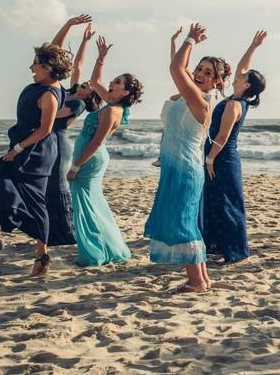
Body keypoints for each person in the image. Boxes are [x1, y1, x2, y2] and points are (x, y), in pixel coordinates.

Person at [0, 41, 74, 276]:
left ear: (48, 67)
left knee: (35, 201)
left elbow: (45, 130)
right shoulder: (39, 85)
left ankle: (42, 255)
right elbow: (56, 48)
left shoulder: (50, 94)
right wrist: (68, 24)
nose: (31, 67)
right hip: (21, 147)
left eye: (36, 64)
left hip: (34, 153)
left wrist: (17, 149)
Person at [144, 23, 230, 293]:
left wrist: (191, 40)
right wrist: (181, 45)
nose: (201, 74)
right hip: (179, 167)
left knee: (183, 224)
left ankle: (195, 282)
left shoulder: (201, 101)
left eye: (209, 72)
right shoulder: (187, 95)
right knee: (187, 222)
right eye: (200, 69)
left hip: (185, 170)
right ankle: (202, 279)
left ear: (217, 81)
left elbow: (175, 69)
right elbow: (179, 69)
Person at [67, 35, 143, 266]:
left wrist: (76, 166)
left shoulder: (112, 111)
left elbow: (97, 142)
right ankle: (106, 247)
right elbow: (94, 79)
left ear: (126, 92)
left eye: (118, 82)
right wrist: (100, 58)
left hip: (90, 159)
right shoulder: (111, 103)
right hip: (91, 157)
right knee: (92, 202)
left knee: (86, 204)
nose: (112, 82)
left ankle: (95, 251)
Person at [202, 30, 267, 265]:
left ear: (247, 84)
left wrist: (209, 159)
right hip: (223, 156)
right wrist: (253, 45)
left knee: (227, 204)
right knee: (217, 201)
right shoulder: (238, 98)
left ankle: (235, 252)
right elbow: (242, 66)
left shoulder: (234, 105)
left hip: (222, 157)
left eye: (243, 76)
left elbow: (222, 136)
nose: (238, 76)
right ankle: (221, 247)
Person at [44, 15, 97, 248]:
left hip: (57, 144)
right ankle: (50, 233)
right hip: (46, 140)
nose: (86, 82)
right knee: (47, 188)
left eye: (90, 86)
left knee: (57, 188)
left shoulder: (78, 104)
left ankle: (66, 236)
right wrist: (81, 37)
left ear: (91, 96)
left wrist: (35, 108)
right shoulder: (69, 91)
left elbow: (52, 116)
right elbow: (77, 65)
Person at [153, 27, 184, 168]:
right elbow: (175, 63)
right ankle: (162, 157)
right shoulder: (187, 87)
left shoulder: (192, 91)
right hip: (174, 125)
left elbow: (177, 65)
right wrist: (173, 41)